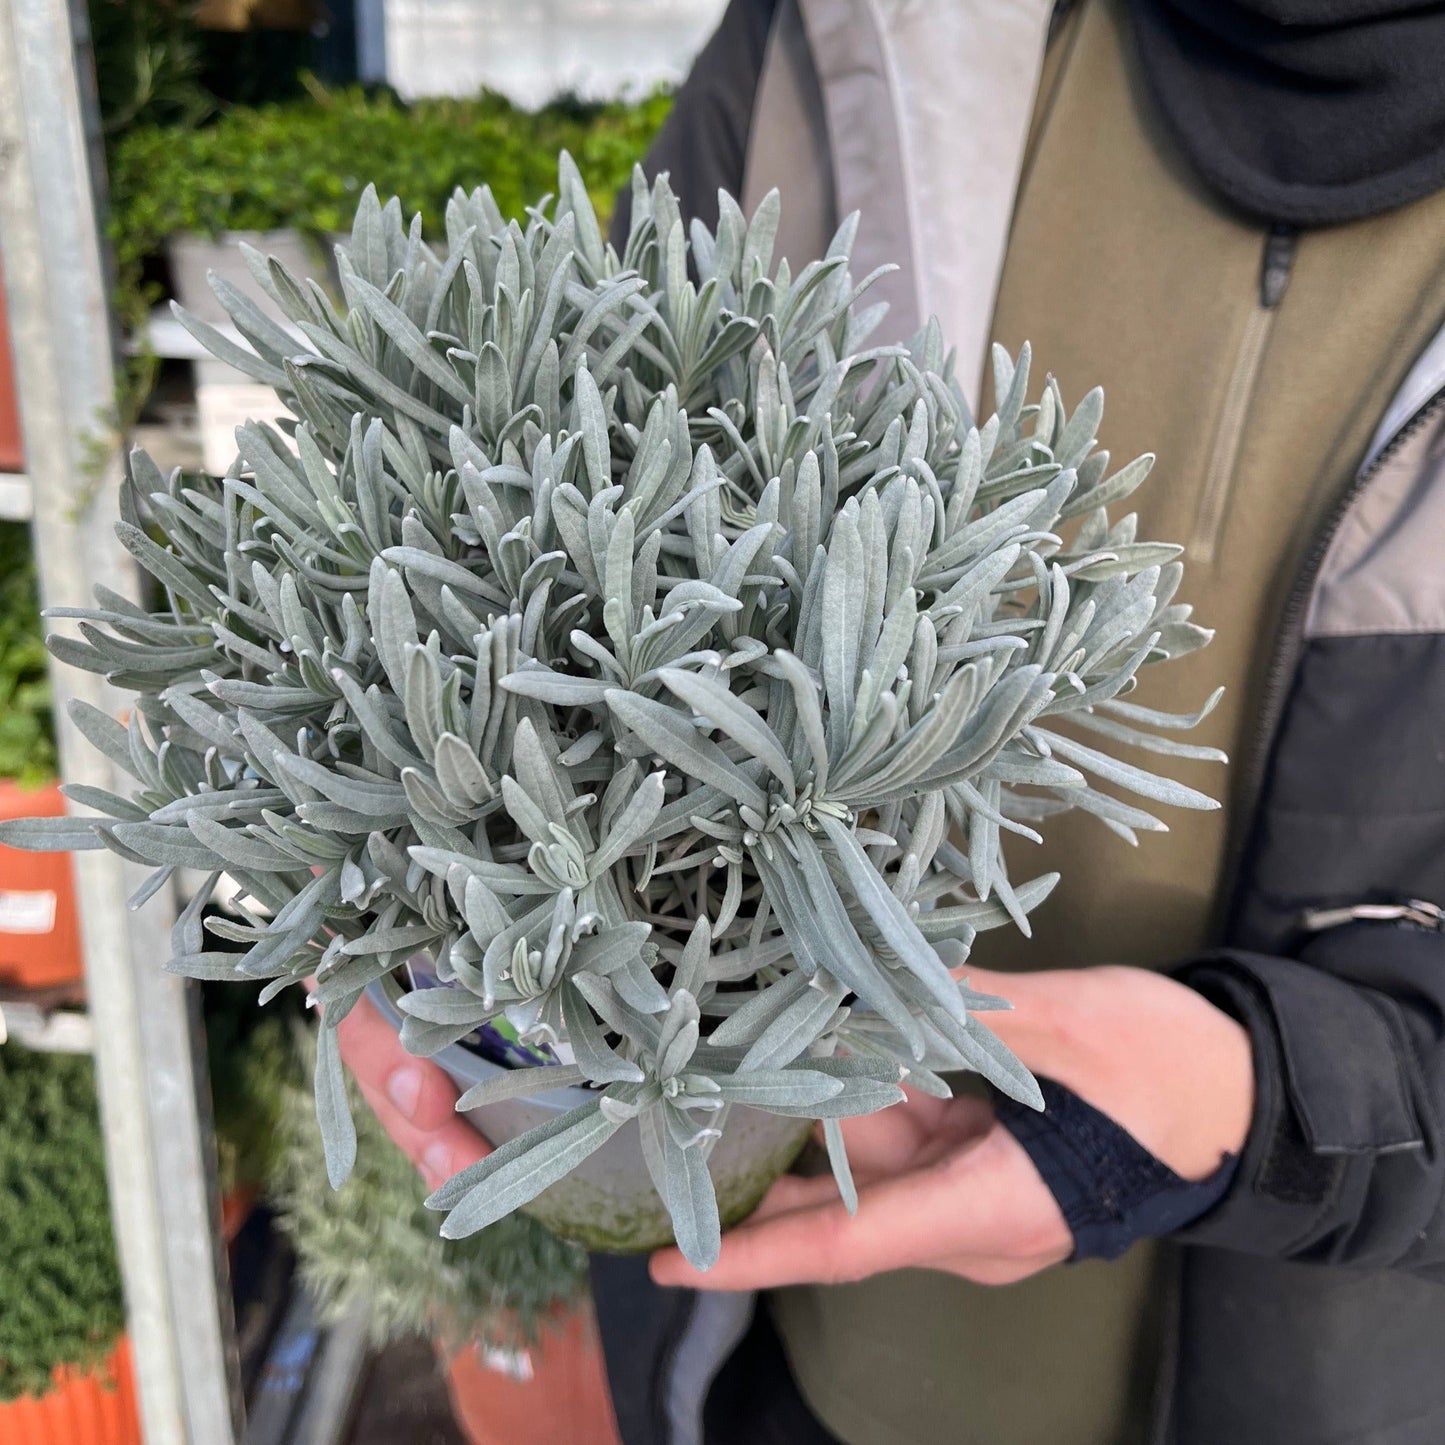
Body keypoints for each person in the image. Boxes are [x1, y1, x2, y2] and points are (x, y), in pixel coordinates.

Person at [339, 1, 1445, 1440]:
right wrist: (391, 876)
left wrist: (1267, 1103)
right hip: (775, 1365)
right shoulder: (856, 37)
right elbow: (512, 512)